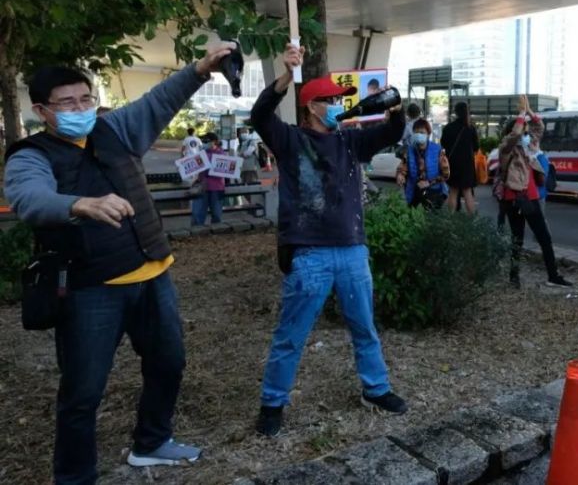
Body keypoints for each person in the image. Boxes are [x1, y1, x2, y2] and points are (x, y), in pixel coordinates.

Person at [2, 43, 236, 483]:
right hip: (90, 287)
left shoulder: (115, 129)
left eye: (85, 98)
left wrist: (201, 69)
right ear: (41, 110)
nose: (80, 107)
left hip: (153, 273)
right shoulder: (29, 155)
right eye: (67, 102)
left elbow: (159, 100)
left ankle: (150, 442)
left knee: (168, 363)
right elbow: (29, 198)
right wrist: (80, 204)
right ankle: (74, 476)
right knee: (83, 390)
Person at [251, 44, 408, 437]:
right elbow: (260, 115)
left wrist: (396, 109)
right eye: (330, 100)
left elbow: (391, 131)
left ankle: (377, 388)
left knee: (364, 327)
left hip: (353, 249)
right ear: (311, 107)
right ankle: (273, 402)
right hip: (309, 253)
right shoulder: (288, 140)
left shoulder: (350, 140)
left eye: (340, 99)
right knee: (291, 334)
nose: (338, 105)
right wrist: (286, 75)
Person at [496, 96, 572, 289]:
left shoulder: (528, 148)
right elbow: (513, 137)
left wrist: (529, 112)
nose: (527, 135)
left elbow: (540, 128)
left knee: (544, 238)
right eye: (524, 132)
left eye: (527, 133)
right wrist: (521, 116)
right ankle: (514, 278)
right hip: (515, 199)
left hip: (531, 198)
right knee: (517, 239)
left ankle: (552, 276)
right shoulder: (506, 149)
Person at [396, 118, 450, 209]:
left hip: (433, 192)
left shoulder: (437, 150)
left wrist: (429, 182)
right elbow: (402, 168)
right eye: (416, 132)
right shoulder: (409, 151)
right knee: (413, 218)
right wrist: (400, 175)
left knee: (431, 218)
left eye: (422, 132)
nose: (418, 135)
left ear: (428, 134)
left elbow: (446, 174)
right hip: (413, 192)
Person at [440, 101, 479, 214]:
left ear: (455, 112)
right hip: (467, 165)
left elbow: (443, 144)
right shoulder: (470, 128)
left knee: (453, 191)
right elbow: (476, 147)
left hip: (453, 164)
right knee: (467, 192)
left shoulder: (448, 128)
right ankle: (472, 221)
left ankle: (451, 218)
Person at [191, 133, 226, 226]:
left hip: (217, 188)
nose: (204, 143)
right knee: (197, 214)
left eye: (206, 141)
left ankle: (216, 234)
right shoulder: (202, 153)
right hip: (202, 188)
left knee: (217, 215)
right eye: (203, 141)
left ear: (214, 142)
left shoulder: (222, 154)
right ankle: (197, 233)